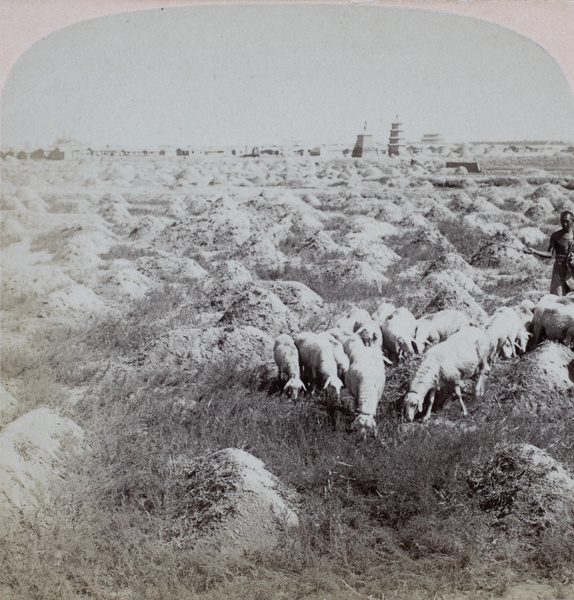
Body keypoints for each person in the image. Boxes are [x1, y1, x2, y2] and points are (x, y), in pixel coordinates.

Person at [524, 210, 574, 295]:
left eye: (567, 221)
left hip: (572, 268)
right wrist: (534, 251)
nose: (564, 224)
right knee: (558, 295)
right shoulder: (555, 236)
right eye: (562, 221)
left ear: (573, 221)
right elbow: (549, 254)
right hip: (559, 268)